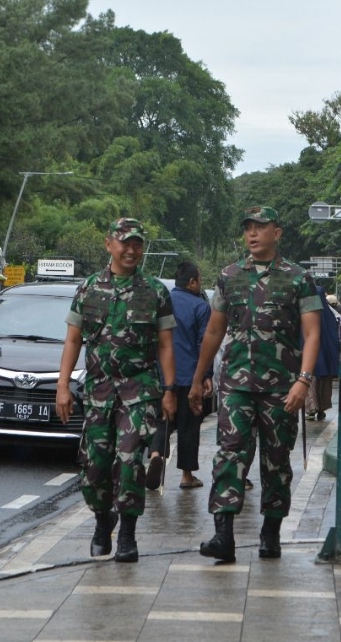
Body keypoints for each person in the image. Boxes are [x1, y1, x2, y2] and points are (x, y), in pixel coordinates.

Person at [188, 205, 321, 563]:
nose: (252, 234)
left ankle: (271, 533)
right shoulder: (229, 275)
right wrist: (199, 376)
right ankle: (224, 535)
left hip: (282, 386)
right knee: (229, 455)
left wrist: (304, 381)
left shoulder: (297, 278)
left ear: (277, 232)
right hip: (236, 383)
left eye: (260, 227)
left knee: (277, 460)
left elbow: (312, 334)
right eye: (248, 228)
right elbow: (214, 331)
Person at [55, 218, 177, 563]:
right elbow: (73, 340)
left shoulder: (154, 291)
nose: (131, 250)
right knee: (94, 469)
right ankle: (101, 518)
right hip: (98, 391)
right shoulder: (89, 289)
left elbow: (166, 345)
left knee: (129, 462)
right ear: (109, 244)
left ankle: (127, 535)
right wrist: (63, 386)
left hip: (140, 389)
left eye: (137, 244)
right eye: (124, 243)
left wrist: (170, 390)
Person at [146, 261, 212, 490]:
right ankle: (186, 476)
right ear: (192, 282)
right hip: (189, 376)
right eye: (199, 280)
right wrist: (206, 375)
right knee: (188, 426)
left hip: (162, 375)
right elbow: (204, 343)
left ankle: (156, 455)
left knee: (162, 420)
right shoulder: (201, 307)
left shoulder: (162, 301)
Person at [304, 287, 341, 421]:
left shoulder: (307, 313)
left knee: (309, 381)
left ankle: (311, 409)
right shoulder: (329, 315)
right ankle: (321, 408)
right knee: (324, 383)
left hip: (310, 357)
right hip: (326, 357)